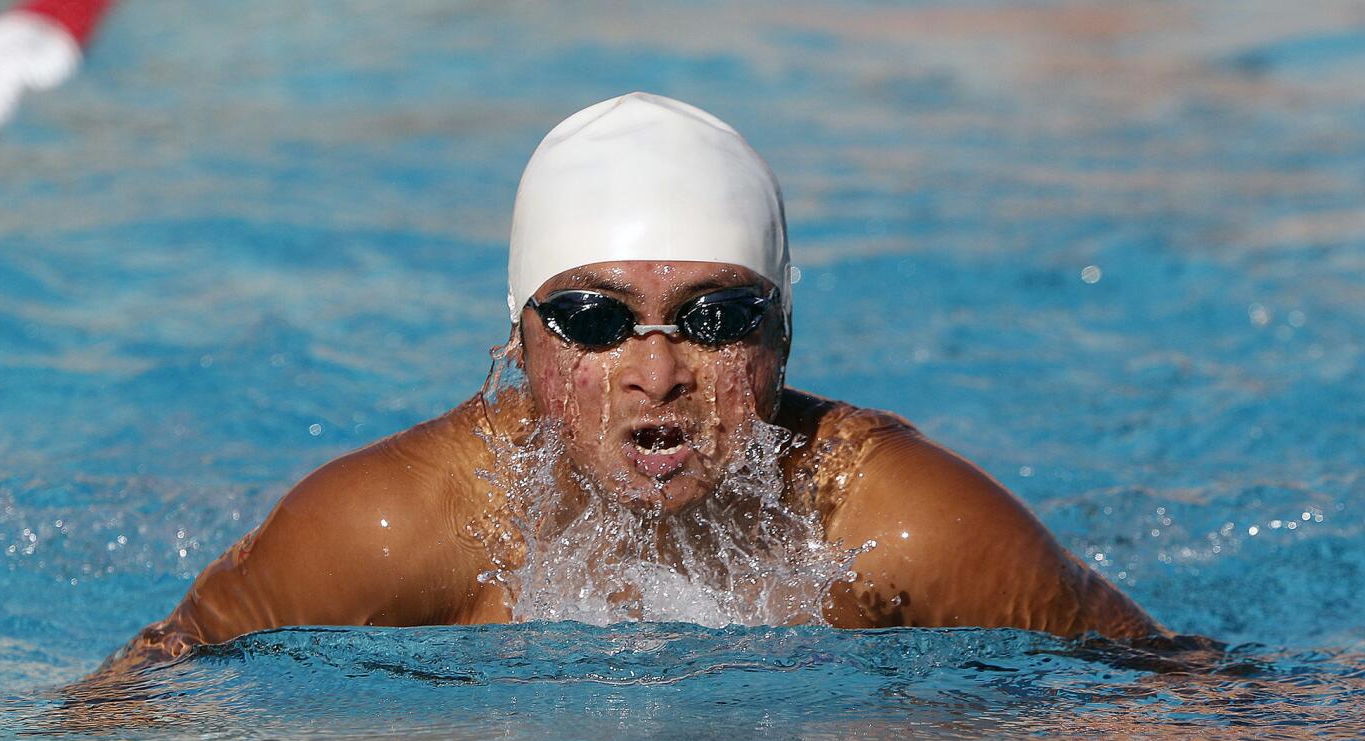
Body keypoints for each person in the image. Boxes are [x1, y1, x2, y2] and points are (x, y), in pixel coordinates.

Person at [112, 92, 1160, 668]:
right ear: (520, 343)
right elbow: (139, 702)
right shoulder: (390, 529)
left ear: (782, 338)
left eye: (716, 319)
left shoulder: (896, 521)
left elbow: (1184, 701)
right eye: (594, 321)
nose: (656, 374)